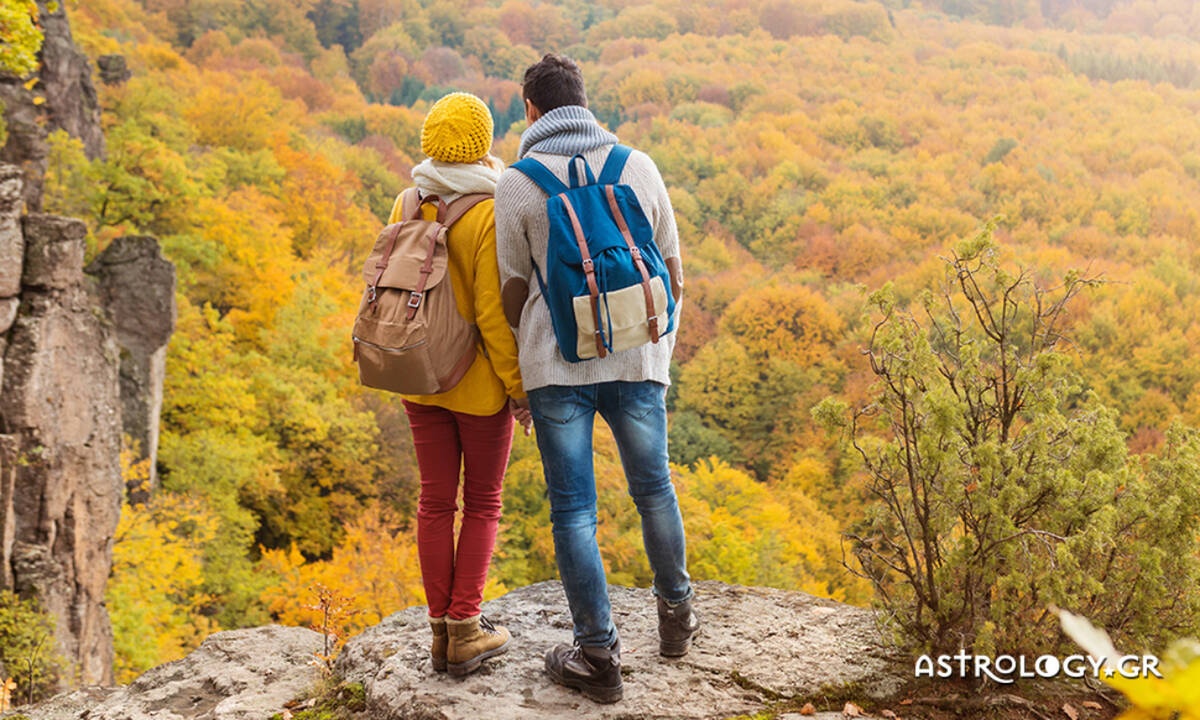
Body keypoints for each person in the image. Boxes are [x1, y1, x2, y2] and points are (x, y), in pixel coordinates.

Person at [494, 54, 698, 704]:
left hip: (557, 368)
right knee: (654, 489)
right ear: (583, 100)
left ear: (531, 110)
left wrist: (526, 371)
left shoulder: (518, 184)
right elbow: (671, 266)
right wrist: (654, 346)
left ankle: (598, 654)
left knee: (574, 509)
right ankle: (677, 618)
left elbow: (510, 291)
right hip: (639, 358)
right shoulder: (636, 166)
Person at [396, 91, 531, 677]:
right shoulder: (489, 209)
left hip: (418, 375)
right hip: (475, 388)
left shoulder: (408, 198)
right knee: (482, 504)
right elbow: (494, 317)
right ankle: (465, 629)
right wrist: (520, 390)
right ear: (482, 143)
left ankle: (438, 634)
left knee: (433, 503)